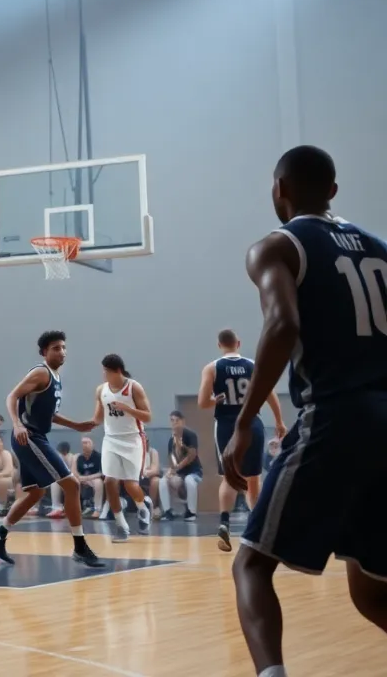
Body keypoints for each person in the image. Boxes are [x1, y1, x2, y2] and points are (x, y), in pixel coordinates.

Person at [222, 145, 387, 677]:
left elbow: (282, 325)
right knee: (371, 587)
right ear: (333, 191)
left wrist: (244, 422)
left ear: (279, 191)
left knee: (250, 564)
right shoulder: (381, 249)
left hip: (337, 415)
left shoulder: (278, 246)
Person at [0, 330, 103, 568]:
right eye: (56, 348)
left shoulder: (55, 379)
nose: (62, 352)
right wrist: (17, 424)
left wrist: (75, 425)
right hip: (29, 437)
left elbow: (49, 414)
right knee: (72, 484)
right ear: (44, 352)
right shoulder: (40, 373)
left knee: (36, 494)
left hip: (34, 437)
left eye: (63, 347)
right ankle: (80, 547)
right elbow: (12, 396)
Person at [198, 329, 288, 552]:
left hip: (227, 424)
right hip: (251, 422)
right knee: (253, 478)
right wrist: (279, 420)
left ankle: (225, 523)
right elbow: (269, 394)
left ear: (219, 345)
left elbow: (202, 403)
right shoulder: (252, 365)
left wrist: (214, 400)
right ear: (238, 343)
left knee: (229, 477)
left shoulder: (212, 368)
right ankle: (255, 529)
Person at [90, 354, 153, 542]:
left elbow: (148, 417)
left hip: (133, 439)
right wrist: (82, 425)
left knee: (130, 485)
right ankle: (121, 526)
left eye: (106, 371)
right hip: (111, 439)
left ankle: (143, 507)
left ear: (117, 371)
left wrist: (127, 409)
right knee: (109, 481)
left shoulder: (134, 387)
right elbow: (98, 418)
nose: (103, 374)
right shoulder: (101, 390)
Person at [160, 410, 202, 520]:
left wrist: (178, 467)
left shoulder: (191, 435)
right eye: (172, 421)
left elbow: (191, 456)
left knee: (189, 480)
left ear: (183, 421)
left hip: (194, 472)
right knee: (163, 480)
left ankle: (191, 512)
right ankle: (167, 512)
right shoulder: (171, 440)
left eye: (177, 420)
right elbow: (172, 460)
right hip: (179, 474)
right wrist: (171, 472)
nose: (174, 423)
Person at [73, 437, 104, 517]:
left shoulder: (98, 456)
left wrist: (88, 478)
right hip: (82, 479)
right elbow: (75, 473)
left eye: (87, 442)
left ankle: (97, 509)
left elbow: (101, 473)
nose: (85, 445)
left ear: (93, 445)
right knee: (72, 482)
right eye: (83, 443)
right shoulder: (79, 458)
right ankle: (75, 507)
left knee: (98, 482)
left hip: (94, 478)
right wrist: (81, 478)